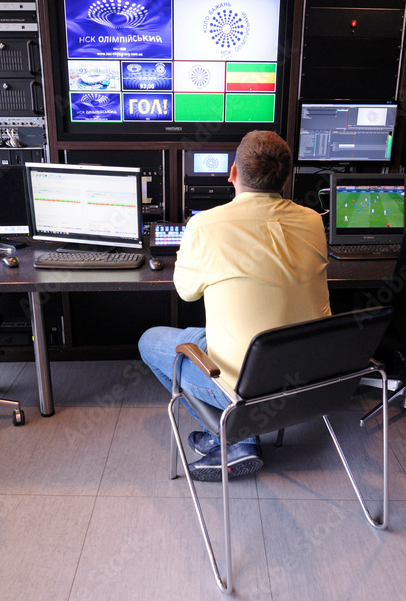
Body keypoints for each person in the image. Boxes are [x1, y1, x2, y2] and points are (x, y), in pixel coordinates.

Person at [138, 130, 331, 481]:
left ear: (232, 173)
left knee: (150, 340)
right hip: (309, 380)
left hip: (248, 385)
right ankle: (238, 434)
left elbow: (186, 292)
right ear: (285, 179)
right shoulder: (313, 220)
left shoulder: (204, 225)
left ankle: (233, 437)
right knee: (205, 334)